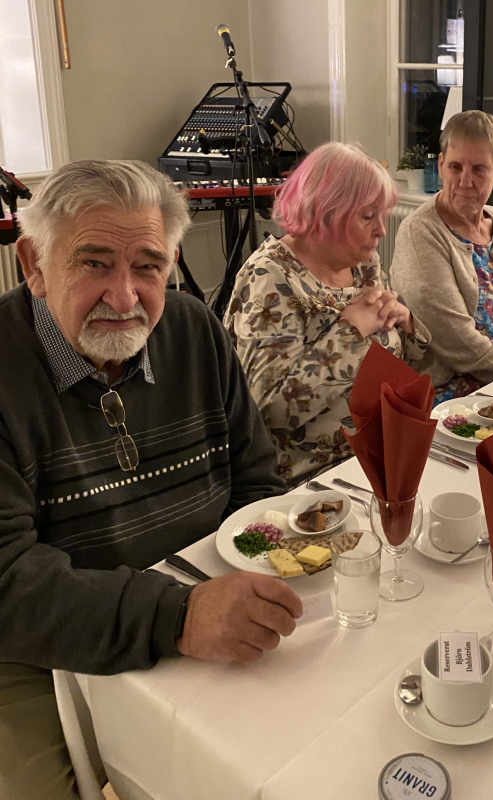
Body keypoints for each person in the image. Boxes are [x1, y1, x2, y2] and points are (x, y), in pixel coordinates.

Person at [1, 160, 303, 800]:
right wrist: (179, 616)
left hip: (199, 592)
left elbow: (255, 484)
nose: (124, 296)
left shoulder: (193, 330)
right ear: (33, 263)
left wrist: (253, 574)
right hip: (35, 647)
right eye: (94, 263)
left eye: (147, 266)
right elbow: (7, 584)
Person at [224, 142, 428, 486]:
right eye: (368, 217)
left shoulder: (363, 264)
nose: (381, 229)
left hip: (380, 451)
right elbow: (270, 409)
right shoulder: (270, 278)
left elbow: (399, 360)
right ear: (325, 214)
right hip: (310, 478)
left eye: (381, 215)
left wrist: (405, 321)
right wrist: (350, 331)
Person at [391, 110, 493, 403]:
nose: (465, 181)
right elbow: (454, 339)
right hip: (456, 395)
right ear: (441, 166)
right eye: (455, 167)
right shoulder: (420, 232)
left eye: (479, 169)